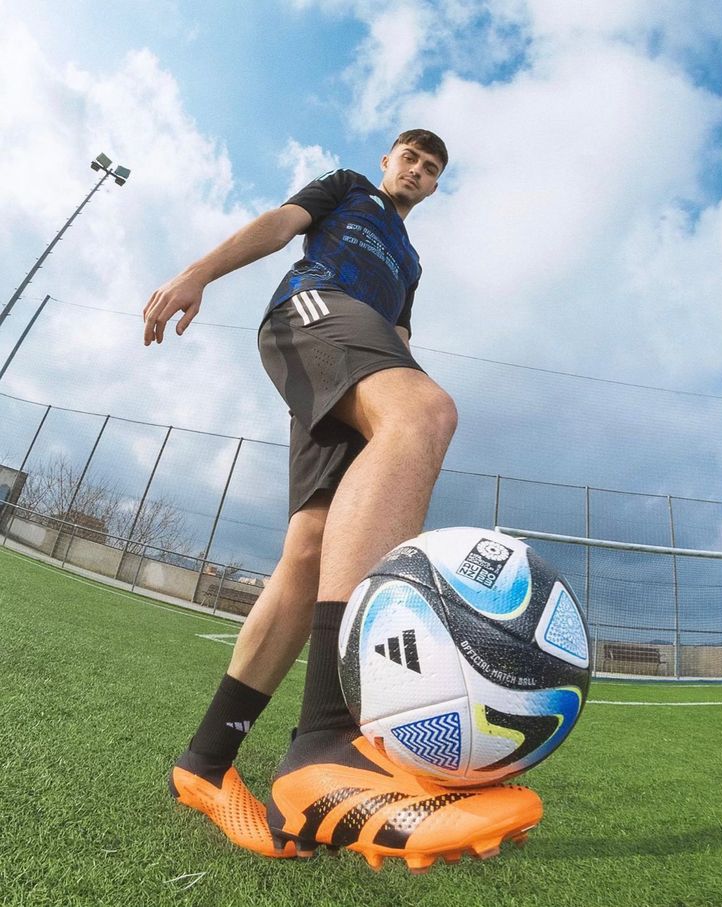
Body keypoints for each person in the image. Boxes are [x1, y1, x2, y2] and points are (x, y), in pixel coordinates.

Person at [143, 129, 541, 871]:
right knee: (425, 413)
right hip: (311, 312)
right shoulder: (349, 188)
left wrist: (399, 403)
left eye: (431, 168)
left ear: (433, 185)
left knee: (309, 547)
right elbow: (279, 224)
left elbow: (395, 336)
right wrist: (197, 273)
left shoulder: (411, 262)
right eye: (411, 158)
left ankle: (204, 760)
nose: (418, 171)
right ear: (389, 159)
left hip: (358, 355)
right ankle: (324, 745)